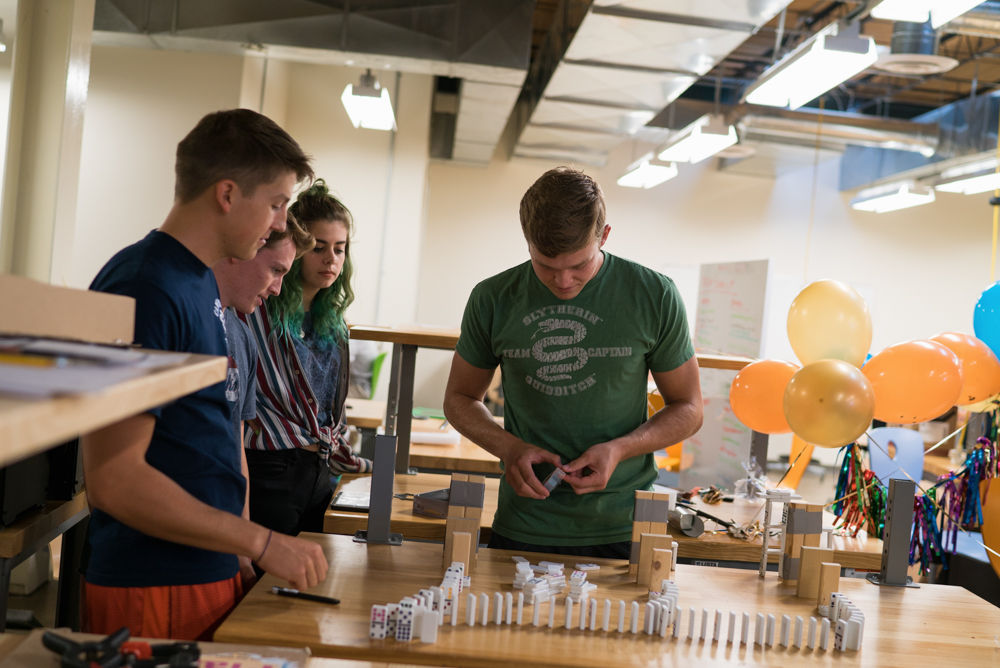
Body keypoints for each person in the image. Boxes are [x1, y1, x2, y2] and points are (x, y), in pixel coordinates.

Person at [84, 110, 328, 641]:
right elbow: (114, 480)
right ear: (226, 194)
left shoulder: (199, 285)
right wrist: (260, 542)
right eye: (276, 204)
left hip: (204, 569)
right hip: (155, 583)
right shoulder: (145, 286)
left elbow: (207, 439)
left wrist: (238, 547)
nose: (281, 223)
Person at [443, 166, 703, 558]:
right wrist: (509, 448)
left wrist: (620, 449)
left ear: (605, 235)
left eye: (578, 265)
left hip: (625, 522)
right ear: (527, 242)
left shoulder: (654, 295)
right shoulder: (493, 298)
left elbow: (690, 408)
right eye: (546, 266)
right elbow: (460, 397)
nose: (563, 282)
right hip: (525, 521)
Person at [241, 180, 371, 539]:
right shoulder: (258, 308)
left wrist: (359, 465)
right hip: (271, 471)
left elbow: (332, 414)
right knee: (267, 588)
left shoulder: (334, 323)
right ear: (297, 249)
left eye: (340, 249)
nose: (332, 259)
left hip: (320, 472)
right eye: (319, 247)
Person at [212, 214, 316, 587]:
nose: (277, 288)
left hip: (221, 546)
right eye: (275, 270)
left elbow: (234, 450)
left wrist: (243, 547)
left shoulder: (241, 333)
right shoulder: (185, 310)